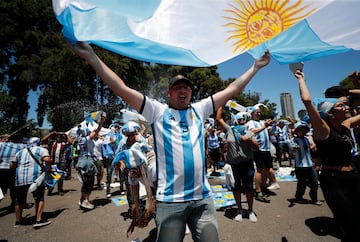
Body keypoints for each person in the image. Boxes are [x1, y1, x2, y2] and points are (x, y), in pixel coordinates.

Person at [69, 41, 270, 242]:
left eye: (187, 87)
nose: (183, 89)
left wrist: (255, 67)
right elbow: (121, 88)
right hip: (170, 202)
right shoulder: (157, 111)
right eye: (177, 87)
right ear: (169, 93)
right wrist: (92, 57)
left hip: (202, 199)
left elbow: (232, 89)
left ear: (191, 93)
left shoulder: (199, 110)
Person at [294, 69, 360, 241]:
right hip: (333, 181)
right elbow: (307, 101)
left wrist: (356, 85)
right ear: (330, 113)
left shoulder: (345, 125)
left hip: (353, 176)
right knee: (350, 222)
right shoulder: (323, 131)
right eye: (340, 106)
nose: (346, 107)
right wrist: (302, 79)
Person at [216, 107, 258, 222]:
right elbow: (218, 119)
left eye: (243, 120)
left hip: (247, 164)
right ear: (235, 121)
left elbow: (256, 147)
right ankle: (239, 209)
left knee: (249, 188)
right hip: (234, 165)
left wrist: (247, 139)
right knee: (236, 188)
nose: (241, 122)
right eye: (239, 120)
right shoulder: (229, 130)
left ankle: (250, 210)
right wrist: (221, 104)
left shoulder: (248, 131)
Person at [10, 137, 52, 228]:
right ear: (38, 142)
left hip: (20, 179)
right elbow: (47, 160)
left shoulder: (20, 152)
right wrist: (49, 169)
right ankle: (38, 219)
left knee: (19, 200)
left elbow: (12, 165)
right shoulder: (42, 149)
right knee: (39, 198)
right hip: (35, 178)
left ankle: (18, 221)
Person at [246, 106, 279, 203]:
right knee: (260, 170)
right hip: (258, 150)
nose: (259, 114)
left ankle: (263, 186)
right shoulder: (250, 123)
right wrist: (264, 126)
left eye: (260, 112)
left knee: (267, 168)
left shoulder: (261, 122)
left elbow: (270, 133)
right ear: (252, 113)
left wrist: (272, 126)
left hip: (266, 149)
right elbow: (251, 132)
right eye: (257, 112)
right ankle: (258, 191)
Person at [75, 111, 106, 210]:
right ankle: (86, 201)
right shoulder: (87, 139)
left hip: (82, 161)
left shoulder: (80, 139)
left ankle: (81, 200)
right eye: (90, 132)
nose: (91, 132)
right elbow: (97, 131)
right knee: (89, 182)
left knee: (85, 182)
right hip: (87, 161)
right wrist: (101, 122)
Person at [291, 121, 321, 205]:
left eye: (304, 129)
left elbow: (313, 148)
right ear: (296, 131)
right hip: (300, 165)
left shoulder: (307, 138)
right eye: (300, 129)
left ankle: (314, 199)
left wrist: (313, 146)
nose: (303, 130)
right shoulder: (294, 140)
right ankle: (299, 197)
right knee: (301, 183)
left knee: (315, 182)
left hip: (310, 164)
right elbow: (292, 149)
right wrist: (294, 149)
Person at [0, 134, 27, 211]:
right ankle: (14, 204)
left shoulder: (2, 144)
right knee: (14, 189)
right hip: (13, 170)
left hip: (1, 169)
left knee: (1, 189)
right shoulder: (23, 146)